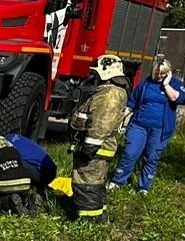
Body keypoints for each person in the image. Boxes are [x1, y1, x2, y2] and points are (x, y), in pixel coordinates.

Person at [68, 54, 129, 220]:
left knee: (87, 183)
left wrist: (90, 146)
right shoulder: (109, 92)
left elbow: (102, 123)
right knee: (95, 182)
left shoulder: (110, 94)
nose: (94, 77)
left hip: (95, 149)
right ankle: (98, 215)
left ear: (106, 72)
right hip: (96, 147)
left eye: (96, 74)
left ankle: (89, 220)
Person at [110, 57, 184, 194]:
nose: (159, 76)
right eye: (157, 73)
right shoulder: (145, 84)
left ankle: (143, 187)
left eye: (162, 73)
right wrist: (120, 120)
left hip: (160, 129)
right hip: (139, 125)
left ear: (168, 73)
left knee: (151, 157)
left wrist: (166, 85)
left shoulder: (175, 84)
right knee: (130, 153)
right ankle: (117, 181)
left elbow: (176, 98)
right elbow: (132, 103)